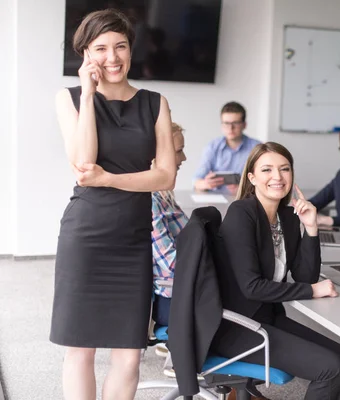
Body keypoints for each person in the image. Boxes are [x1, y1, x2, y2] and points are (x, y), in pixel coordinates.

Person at [50, 9, 176, 400]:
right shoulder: (68, 98)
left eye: (120, 46)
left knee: (129, 356)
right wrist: (88, 95)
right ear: (86, 54)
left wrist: (111, 179)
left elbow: (166, 176)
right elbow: (83, 165)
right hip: (86, 236)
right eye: (101, 48)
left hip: (133, 240)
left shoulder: (155, 102)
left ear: (132, 49)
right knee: (80, 349)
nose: (113, 57)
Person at [211, 142, 340, 400]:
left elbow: (304, 275)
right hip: (236, 326)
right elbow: (252, 287)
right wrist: (312, 291)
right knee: (331, 369)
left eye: (284, 169)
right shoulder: (241, 213)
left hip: (267, 317)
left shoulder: (286, 216)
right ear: (252, 178)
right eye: (267, 170)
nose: (277, 177)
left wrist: (311, 227)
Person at [151, 122, 188, 328]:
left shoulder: (164, 196)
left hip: (183, 292)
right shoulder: (151, 201)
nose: (184, 158)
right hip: (174, 300)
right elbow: (172, 264)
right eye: (179, 151)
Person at [193, 102, 261, 194]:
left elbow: (264, 181)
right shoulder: (212, 147)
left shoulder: (257, 148)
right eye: (226, 123)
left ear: (244, 125)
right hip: (216, 199)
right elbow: (196, 181)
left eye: (235, 123)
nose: (230, 128)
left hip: (247, 199)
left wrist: (245, 190)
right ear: (221, 125)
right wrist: (206, 184)